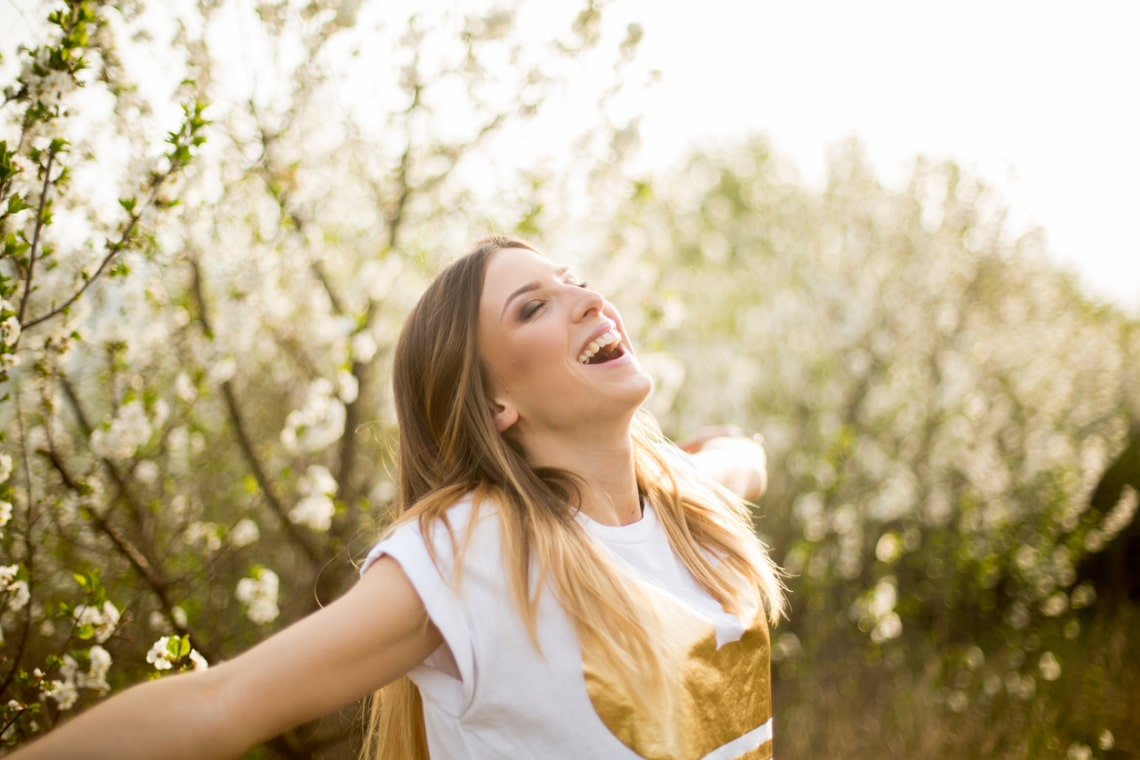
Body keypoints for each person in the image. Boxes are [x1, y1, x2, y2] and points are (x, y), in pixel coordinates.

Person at [11, 235, 784, 760]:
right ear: (493, 406)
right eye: (533, 307)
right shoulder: (477, 555)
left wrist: (739, 446)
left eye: (574, 283)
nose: (589, 301)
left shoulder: (689, 504)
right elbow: (225, 703)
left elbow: (738, 462)